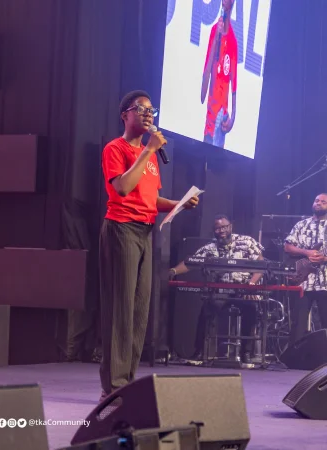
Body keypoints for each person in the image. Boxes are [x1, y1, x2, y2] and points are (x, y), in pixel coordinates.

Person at [99, 90, 199, 400]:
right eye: (140, 109)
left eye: (151, 110)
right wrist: (148, 150)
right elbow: (123, 187)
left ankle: (127, 383)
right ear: (124, 115)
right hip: (121, 229)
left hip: (145, 233)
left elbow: (151, 199)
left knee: (139, 311)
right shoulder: (116, 148)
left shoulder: (151, 157)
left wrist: (179, 204)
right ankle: (113, 388)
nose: (147, 114)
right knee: (121, 309)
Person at [170, 214, 264, 363]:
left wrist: (251, 285)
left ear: (231, 226)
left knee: (251, 309)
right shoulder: (210, 247)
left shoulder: (246, 242)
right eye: (217, 228)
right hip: (221, 291)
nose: (221, 231)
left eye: (224, 227)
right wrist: (173, 271)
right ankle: (200, 351)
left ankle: (246, 353)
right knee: (207, 309)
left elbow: (261, 265)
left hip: (244, 290)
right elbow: (191, 262)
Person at [284, 194, 327, 346]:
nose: (318, 203)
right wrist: (307, 252)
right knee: (298, 325)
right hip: (303, 282)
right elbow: (287, 246)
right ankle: (294, 356)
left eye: (323, 202)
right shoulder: (301, 225)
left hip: (325, 283)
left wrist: (324, 259)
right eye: (316, 201)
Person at [201, 0, 237, 148]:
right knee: (205, 149)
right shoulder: (215, 31)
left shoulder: (233, 41)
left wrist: (233, 116)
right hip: (210, 115)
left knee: (216, 153)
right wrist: (216, 38)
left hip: (221, 116)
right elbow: (207, 69)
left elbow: (234, 81)